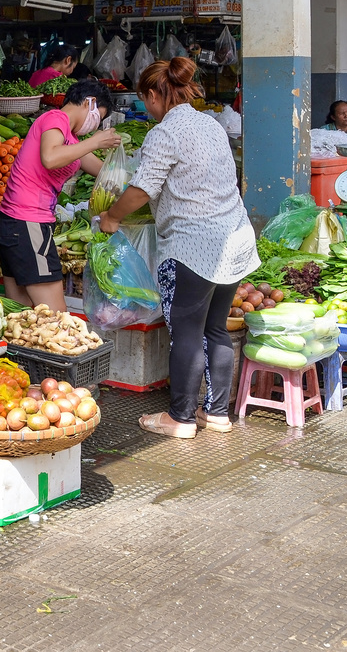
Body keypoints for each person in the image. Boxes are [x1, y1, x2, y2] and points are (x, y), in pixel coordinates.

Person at [99, 57, 259, 439]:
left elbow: (142, 190)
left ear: (154, 95)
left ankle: (181, 418)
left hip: (193, 247)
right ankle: (217, 413)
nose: (147, 107)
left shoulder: (164, 133)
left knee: (185, 332)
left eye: (145, 99)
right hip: (234, 238)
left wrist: (112, 218)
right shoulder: (212, 124)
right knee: (215, 329)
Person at [0, 80, 120, 312]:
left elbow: (104, 172)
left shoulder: (70, 139)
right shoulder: (55, 119)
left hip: (17, 224)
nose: (95, 126)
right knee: (56, 318)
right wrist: (95, 142)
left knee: (21, 316)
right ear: (88, 102)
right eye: (98, 117)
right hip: (27, 223)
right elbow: (50, 158)